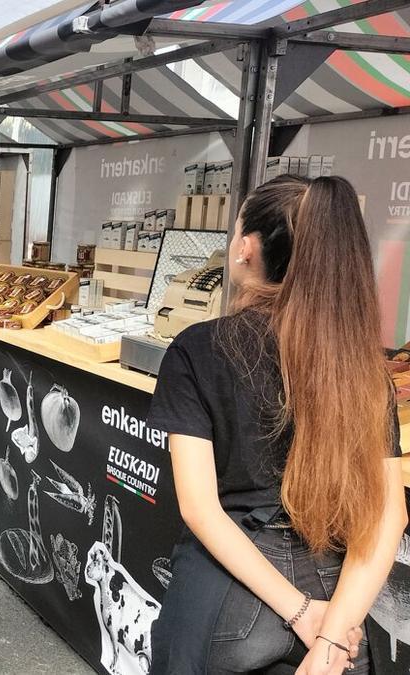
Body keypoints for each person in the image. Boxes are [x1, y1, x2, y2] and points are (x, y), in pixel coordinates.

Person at [148, 175, 408, 674]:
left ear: (246, 248)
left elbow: (202, 510)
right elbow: (387, 519)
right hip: (339, 597)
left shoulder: (199, 348)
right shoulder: (364, 370)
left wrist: (300, 612)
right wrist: (331, 638)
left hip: (230, 599)